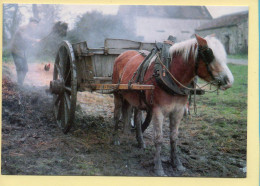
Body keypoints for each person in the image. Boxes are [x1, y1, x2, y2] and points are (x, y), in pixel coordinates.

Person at [11, 17, 41, 85]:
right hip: (16, 51)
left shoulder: (30, 30)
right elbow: (24, 37)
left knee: (25, 69)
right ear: (30, 22)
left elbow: (25, 42)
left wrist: (32, 45)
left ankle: (20, 83)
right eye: (34, 23)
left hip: (21, 52)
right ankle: (19, 84)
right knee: (20, 67)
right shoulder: (23, 28)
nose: (35, 25)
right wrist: (35, 40)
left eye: (36, 24)